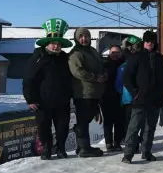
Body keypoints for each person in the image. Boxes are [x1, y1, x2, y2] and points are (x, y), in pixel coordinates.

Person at [23, 18, 74, 160]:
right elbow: (28, 79)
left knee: (63, 127)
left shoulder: (65, 58)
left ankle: (61, 149)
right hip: (42, 101)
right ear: (47, 44)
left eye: (58, 44)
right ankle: (46, 149)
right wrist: (30, 99)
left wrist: (71, 94)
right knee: (44, 127)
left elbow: (71, 77)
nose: (56, 46)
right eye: (53, 44)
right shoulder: (37, 57)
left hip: (62, 100)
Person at [122, 30, 163, 163]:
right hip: (140, 99)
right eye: (147, 41)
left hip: (155, 99)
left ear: (155, 43)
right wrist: (134, 92)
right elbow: (126, 77)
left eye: (152, 41)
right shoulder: (136, 57)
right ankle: (128, 154)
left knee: (150, 127)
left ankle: (146, 151)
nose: (150, 43)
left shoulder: (160, 59)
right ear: (144, 42)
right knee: (134, 127)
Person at [68, 27, 106, 158]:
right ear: (77, 39)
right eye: (81, 36)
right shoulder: (76, 54)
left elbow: (101, 64)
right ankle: (83, 148)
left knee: (87, 120)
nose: (84, 39)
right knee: (83, 121)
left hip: (95, 93)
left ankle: (84, 146)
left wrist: (104, 74)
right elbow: (77, 72)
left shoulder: (93, 51)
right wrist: (95, 77)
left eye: (86, 36)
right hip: (83, 93)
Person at [101, 45, 126, 152]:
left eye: (117, 52)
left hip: (121, 96)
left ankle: (117, 142)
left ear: (121, 53)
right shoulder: (104, 65)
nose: (115, 54)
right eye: (113, 52)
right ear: (109, 53)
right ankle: (108, 143)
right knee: (108, 122)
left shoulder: (125, 64)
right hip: (106, 96)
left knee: (119, 121)